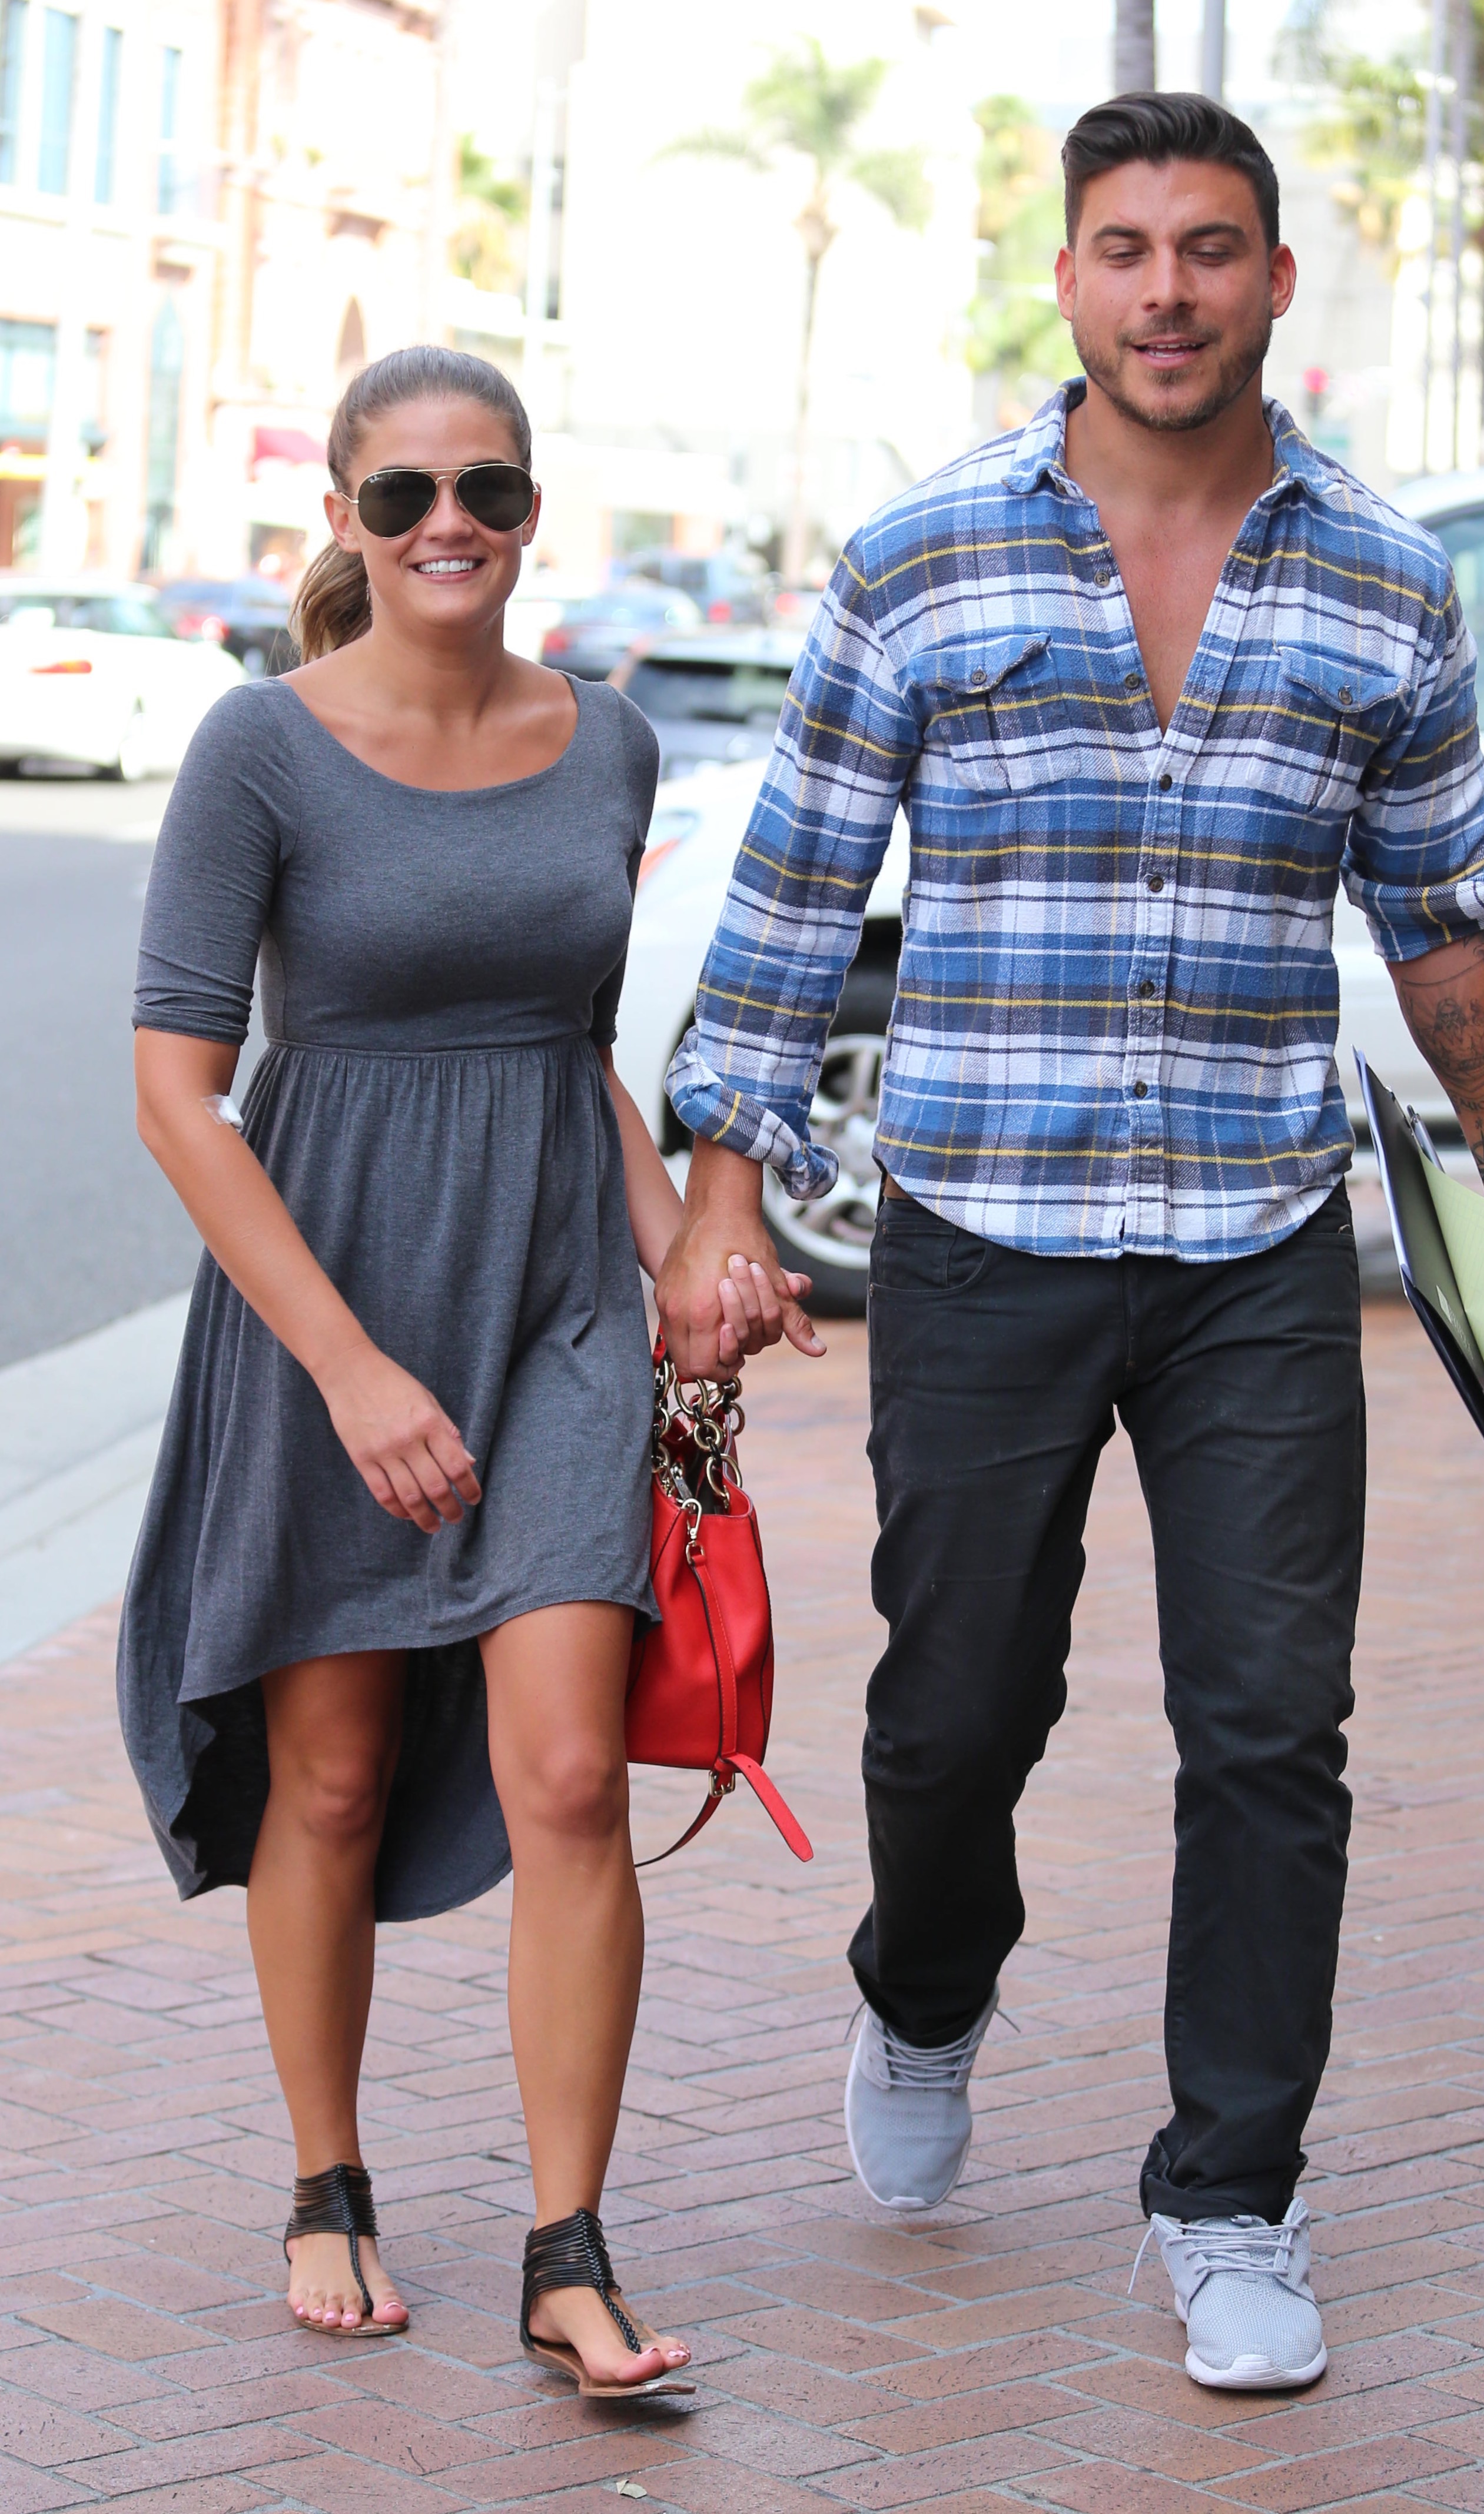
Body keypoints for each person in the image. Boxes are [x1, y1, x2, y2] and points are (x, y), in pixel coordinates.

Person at [656, 95, 1484, 2393]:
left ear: (1274, 289)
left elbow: (1440, 908)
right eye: (1124, 246)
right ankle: (923, 1990)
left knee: (1269, 1726)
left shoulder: (1382, 581)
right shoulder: (921, 558)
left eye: (1212, 247)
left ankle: (1229, 2192)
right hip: (980, 1225)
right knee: (958, 1710)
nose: (1166, 286)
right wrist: (723, 1197)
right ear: (1063, 281)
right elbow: (789, 895)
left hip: (1258, 1229)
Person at [118, 346, 799, 2396]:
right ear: (341, 516)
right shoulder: (259, 748)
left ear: (529, 516)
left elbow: (566, 1044)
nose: (446, 527)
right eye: (402, 494)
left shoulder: (608, 745)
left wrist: (688, 1239)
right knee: (324, 1773)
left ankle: (568, 2249)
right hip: (334, 1309)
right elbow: (175, 1094)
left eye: (484, 492)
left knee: (573, 1772)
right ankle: (327, 2182)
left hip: (554, 1309)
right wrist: (344, 1371)